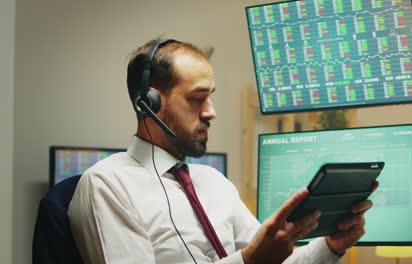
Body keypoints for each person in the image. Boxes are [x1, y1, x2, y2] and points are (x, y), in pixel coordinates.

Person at [68, 38, 376, 264]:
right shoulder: (107, 184)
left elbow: (269, 262)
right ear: (150, 103)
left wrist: (332, 246)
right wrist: (248, 260)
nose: (211, 112)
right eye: (197, 98)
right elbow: (252, 259)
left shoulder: (214, 182)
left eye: (211, 97)